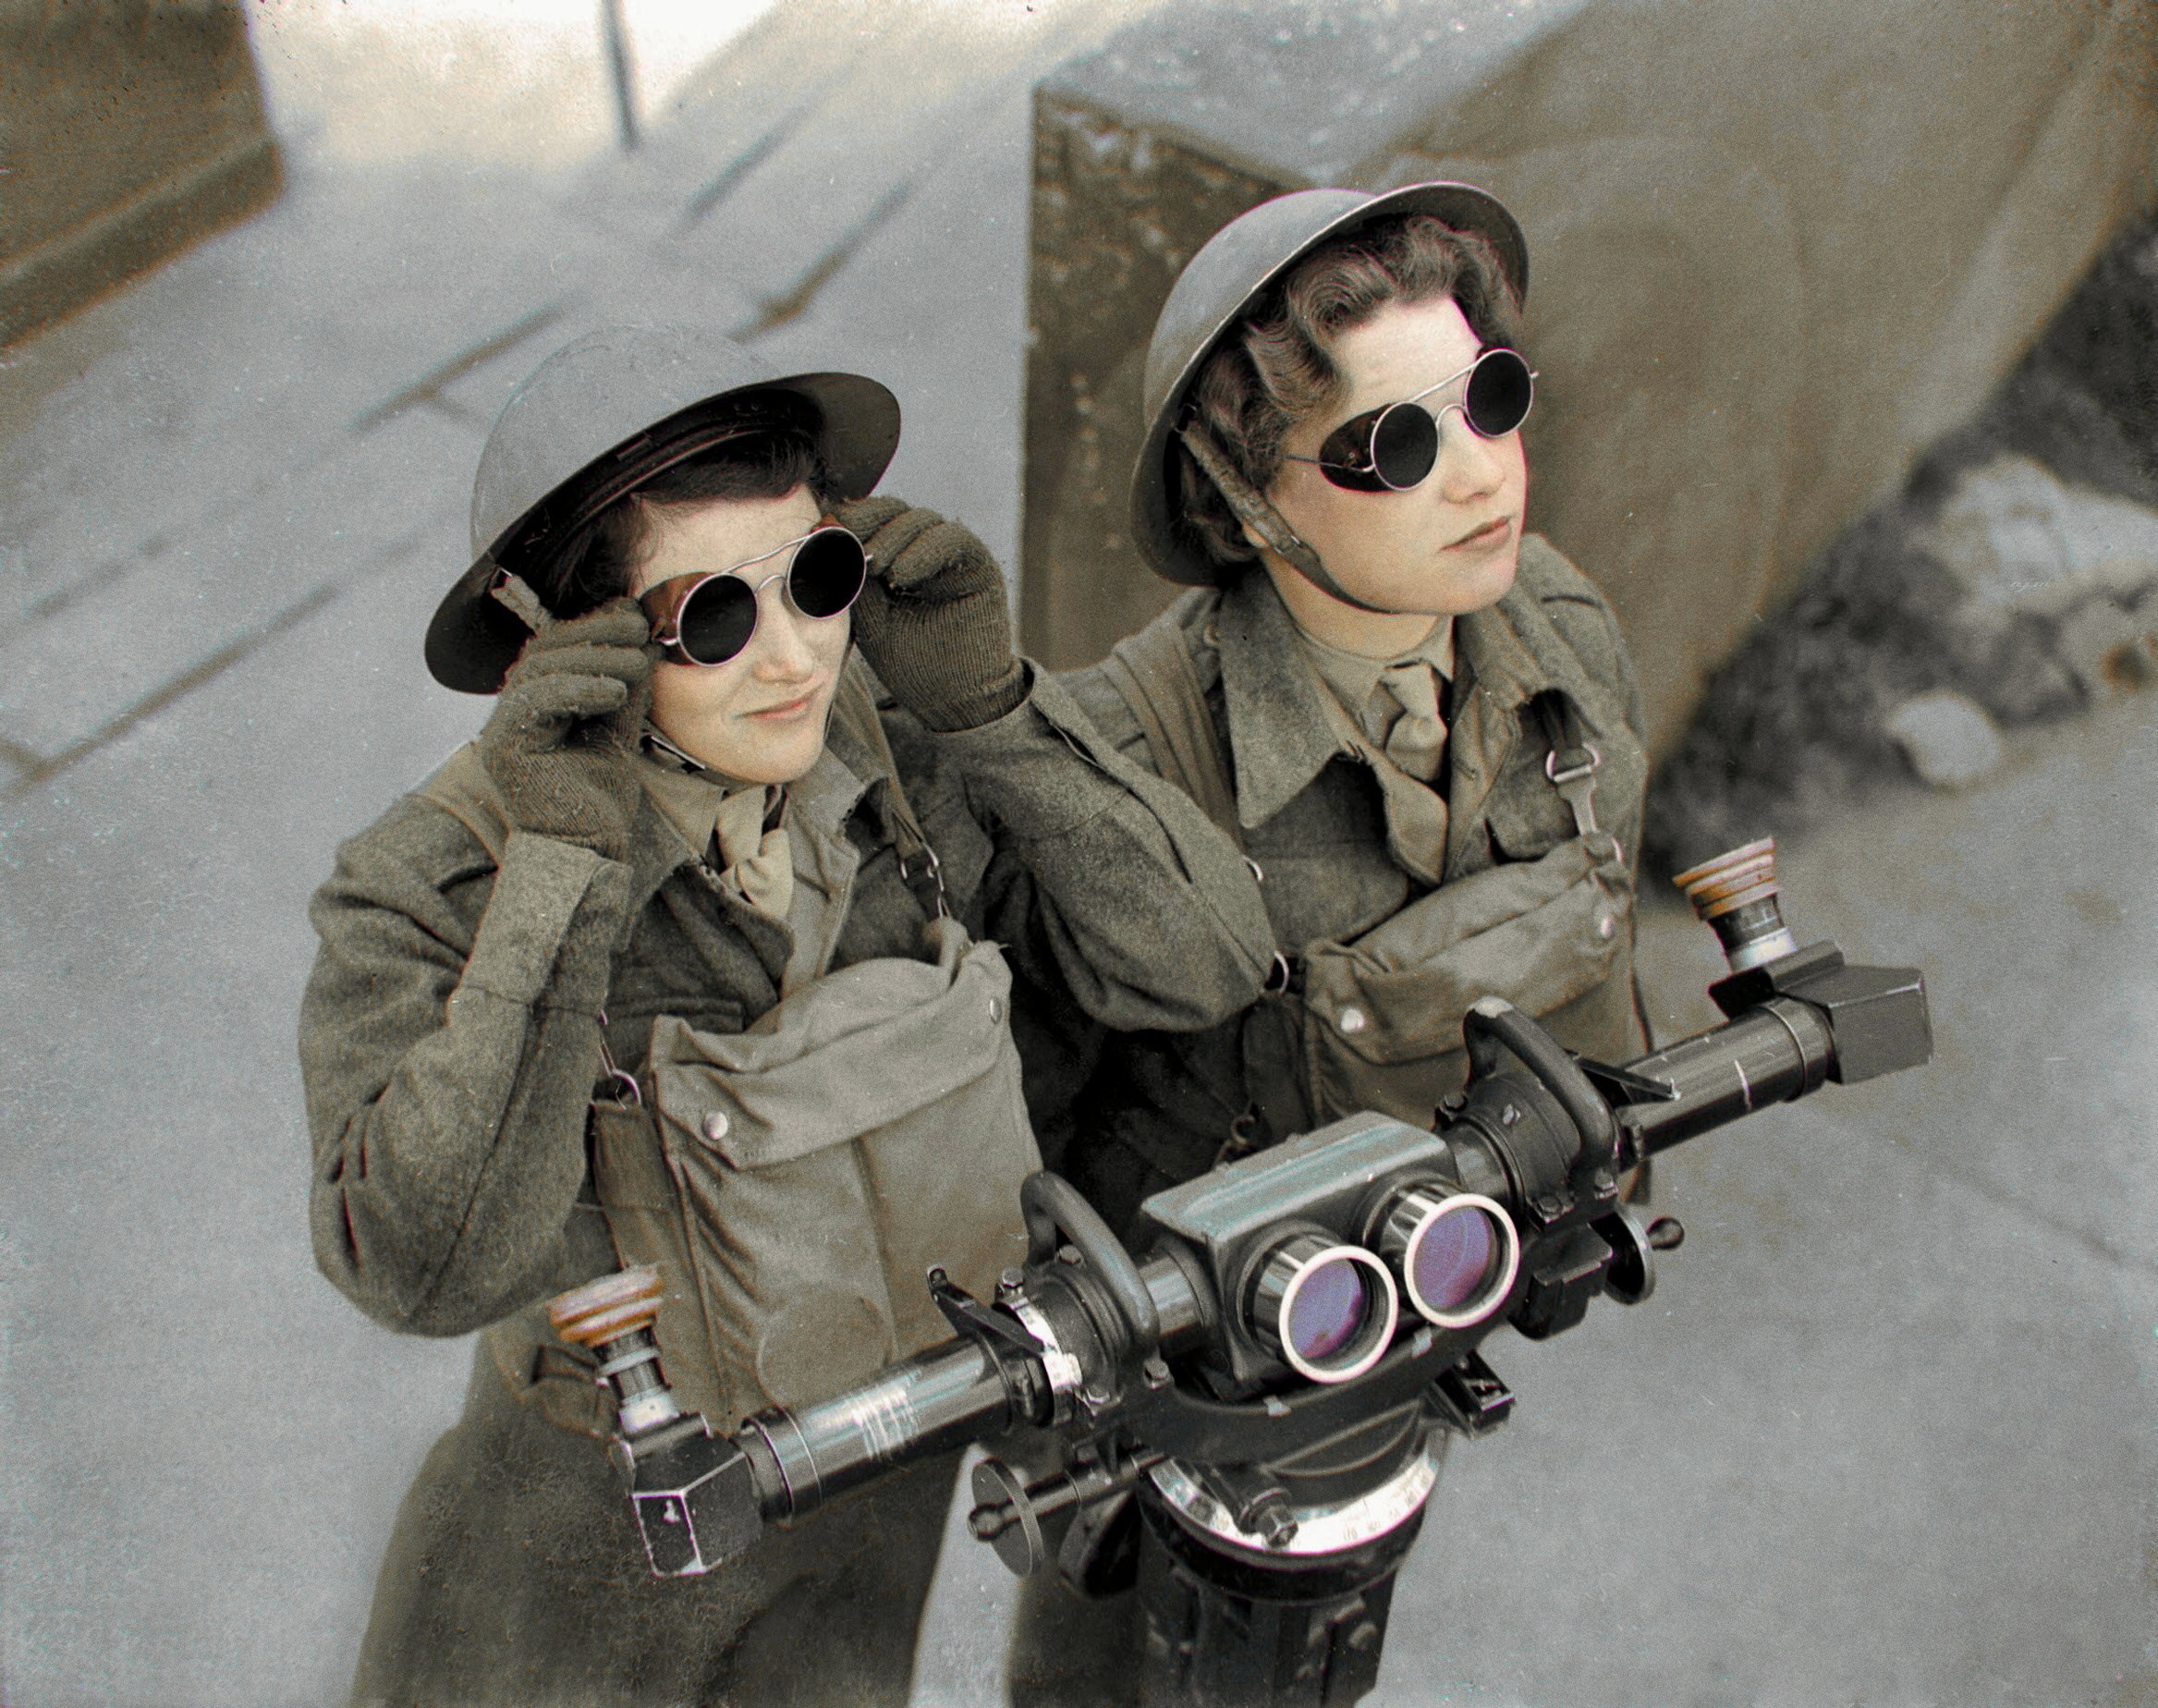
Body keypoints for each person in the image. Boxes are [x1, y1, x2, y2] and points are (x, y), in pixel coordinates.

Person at [297, 325, 1274, 1708]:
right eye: (712, 617)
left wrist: (990, 705)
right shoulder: (433, 886)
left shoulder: (901, 757)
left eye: (817, 581)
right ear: (566, 656)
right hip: (583, 1569)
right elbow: (419, 1266)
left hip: (870, 1504)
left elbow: (1204, 961)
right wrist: (560, 870)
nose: (794, 661)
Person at [1006, 182, 1652, 1705]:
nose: (1482, 474)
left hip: (1415, 1327)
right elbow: (1010, 1145)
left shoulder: (1556, 631)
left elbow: (1599, 961)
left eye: (1492, 400)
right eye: (1395, 447)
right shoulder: (1136, 761)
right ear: (1253, 505)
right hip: (1189, 1401)